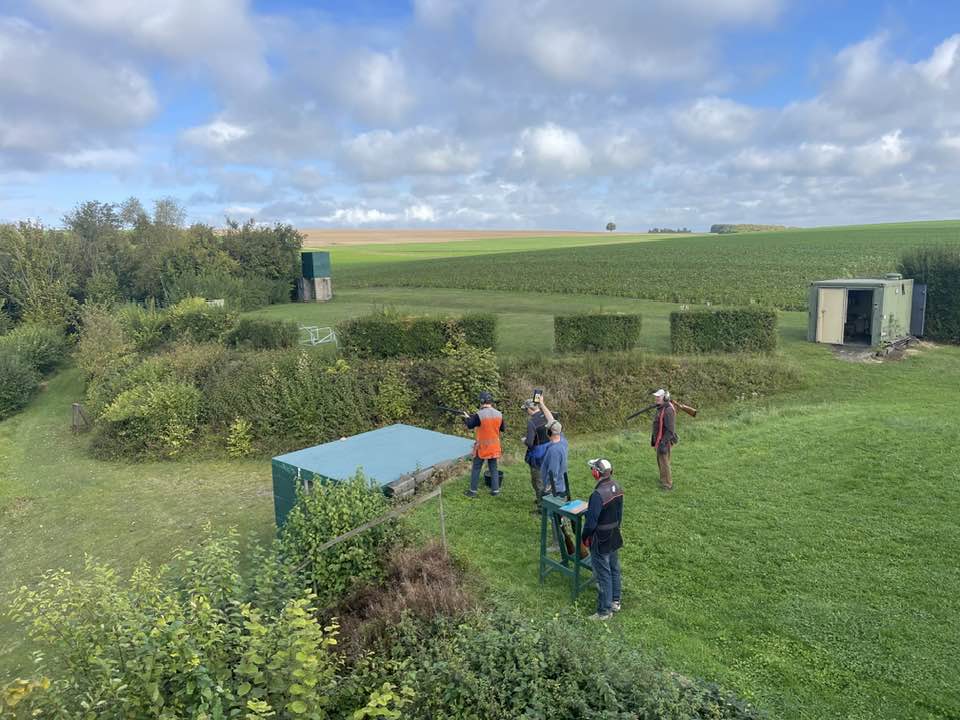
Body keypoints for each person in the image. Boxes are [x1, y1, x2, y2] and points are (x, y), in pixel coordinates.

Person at [582, 458, 624, 621]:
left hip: (600, 539)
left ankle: (604, 611)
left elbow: (591, 522)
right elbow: (619, 514)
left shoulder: (597, 495)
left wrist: (585, 537)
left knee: (603, 573)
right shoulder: (617, 487)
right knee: (614, 568)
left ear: (596, 473)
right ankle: (615, 601)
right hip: (614, 534)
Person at [462, 391, 505, 498]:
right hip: (494, 446)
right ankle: (495, 490)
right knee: (493, 468)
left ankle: (472, 491)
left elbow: (470, 425)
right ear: (491, 401)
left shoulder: (479, 415)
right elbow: (502, 428)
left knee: (476, 468)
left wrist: (466, 418)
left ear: (481, 401)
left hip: (482, 447)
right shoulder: (499, 414)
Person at [522, 398, 550, 511]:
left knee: (537, 481)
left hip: (538, 455)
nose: (526, 412)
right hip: (549, 451)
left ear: (530, 409)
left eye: (526, 409)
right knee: (547, 478)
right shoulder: (547, 415)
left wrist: (524, 440)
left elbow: (529, 443)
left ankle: (541, 507)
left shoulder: (532, 422)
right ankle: (546, 499)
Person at [538, 398, 568, 499]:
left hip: (555, 490)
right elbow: (551, 419)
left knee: (552, 509)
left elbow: (553, 472)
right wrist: (541, 403)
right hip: (560, 486)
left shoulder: (554, 450)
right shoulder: (562, 440)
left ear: (549, 432)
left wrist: (547, 489)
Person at [650, 388, 678, 490]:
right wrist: (654, 438)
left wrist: (663, 442)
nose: (657, 398)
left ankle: (667, 484)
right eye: (656, 397)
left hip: (664, 440)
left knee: (665, 462)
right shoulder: (661, 408)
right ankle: (663, 479)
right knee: (660, 460)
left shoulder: (668, 410)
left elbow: (670, 430)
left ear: (665, 398)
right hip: (659, 439)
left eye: (659, 397)